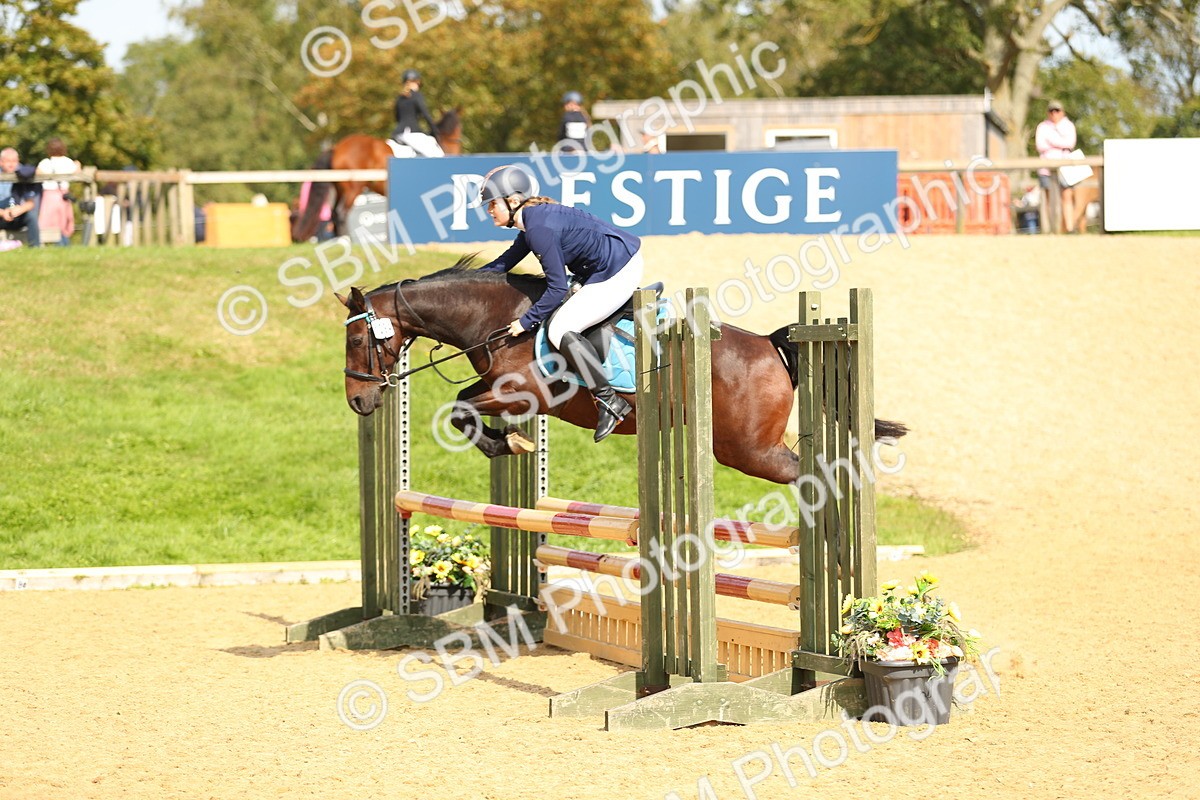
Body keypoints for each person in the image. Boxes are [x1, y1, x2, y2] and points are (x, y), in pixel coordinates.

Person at [475, 165, 644, 442]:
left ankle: (609, 401)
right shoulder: (531, 221)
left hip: (618, 269)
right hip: (603, 265)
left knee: (560, 328)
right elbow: (503, 264)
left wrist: (524, 322)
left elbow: (556, 288)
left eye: (492, 203)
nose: (489, 210)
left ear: (513, 201)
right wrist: (461, 282)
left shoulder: (538, 227)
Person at [1034, 100, 1078, 234]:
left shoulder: (1068, 125)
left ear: (1062, 112)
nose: (1054, 113)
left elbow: (1070, 143)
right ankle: (1049, 228)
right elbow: (1040, 145)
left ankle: (1069, 227)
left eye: (1057, 110)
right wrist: (1061, 143)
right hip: (1045, 168)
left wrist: (1051, 141)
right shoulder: (1042, 126)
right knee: (1048, 199)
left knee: (1067, 196)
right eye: (1051, 111)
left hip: (1066, 167)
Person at [36, 137, 80, 246]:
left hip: (49, 195)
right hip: (63, 195)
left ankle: (45, 244)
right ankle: (64, 244)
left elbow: (37, 173)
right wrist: (78, 164)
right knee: (63, 223)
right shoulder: (68, 161)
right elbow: (77, 172)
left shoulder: (46, 162)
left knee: (47, 222)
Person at [390, 69, 444, 158]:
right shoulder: (417, 95)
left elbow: (397, 117)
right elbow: (425, 114)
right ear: (417, 82)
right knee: (437, 155)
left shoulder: (399, 98)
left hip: (397, 134)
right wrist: (435, 130)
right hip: (410, 133)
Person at [0, 147, 42, 247]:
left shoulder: (24, 174)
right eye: (8, 161)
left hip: (17, 214)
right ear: (1, 162)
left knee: (31, 216)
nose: (11, 164)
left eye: (14, 161)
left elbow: (30, 203)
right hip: (1, 215)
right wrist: (2, 213)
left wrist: (20, 209)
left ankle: (35, 248)